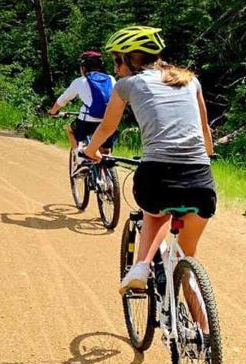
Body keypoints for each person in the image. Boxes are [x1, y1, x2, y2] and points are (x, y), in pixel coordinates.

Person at [81, 26, 216, 297]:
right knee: (188, 256)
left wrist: (91, 152)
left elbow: (107, 128)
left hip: (157, 176)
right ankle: (202, 332)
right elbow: (205, 132)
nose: (116, 69)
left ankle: (141, 266)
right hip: (201, 180)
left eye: (117, 61)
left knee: (154, 211)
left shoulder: (127, 85)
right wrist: (208, 155)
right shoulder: (191, 80)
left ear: (131, 59)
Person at [48, 51, 116, 154]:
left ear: (84, 67)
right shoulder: (111, 79)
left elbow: (62, 100)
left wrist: (53, 112)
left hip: (86, 121)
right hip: (108, 120)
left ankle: (79, 156)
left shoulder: (80, 81)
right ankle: (107, 164)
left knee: (70, 130)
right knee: (105, 151)